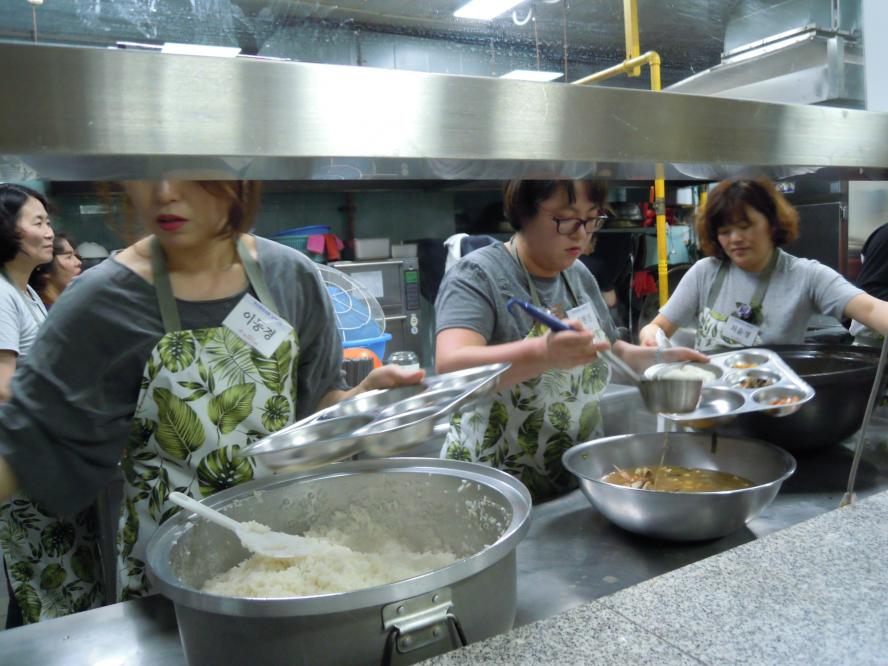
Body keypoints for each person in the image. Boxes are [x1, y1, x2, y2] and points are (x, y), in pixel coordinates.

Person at [0, 180, 421, 601]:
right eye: (148, 169)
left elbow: (317, 407)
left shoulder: (289, 276)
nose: (164, 191)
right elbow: (23, 447)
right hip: (169, 568)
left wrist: (358, 405)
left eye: (191, 168)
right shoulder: (102, 300)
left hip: (292, 560)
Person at [435, 180, 706, 502]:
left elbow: (610, 352)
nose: (581, 234)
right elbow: (451, 369)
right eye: (566, 219)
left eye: (591, 219)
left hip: (571, 478)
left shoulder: (578, 275)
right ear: (524, 213)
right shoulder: (478, 275)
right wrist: (542, 353)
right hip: (495, 491)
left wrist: (662, 360)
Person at [0, 184, 104, 626]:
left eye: (48, 221)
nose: (49, 233)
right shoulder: (2, 294)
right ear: (7, 229)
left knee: (67, 577)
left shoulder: (24, 292)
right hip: (26, 462)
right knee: (48, 584)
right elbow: (4, 384)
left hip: (46, 454)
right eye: (38, 222)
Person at [639, 177, 888, 352]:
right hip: (714, 401)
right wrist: (651, 336)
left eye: (745, 226)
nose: (735, 239)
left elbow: (870, 309)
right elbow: (658, 327)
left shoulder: (806, 275)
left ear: (772, 223)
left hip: (775, 403)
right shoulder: (705, 272)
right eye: (725, 231)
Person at [28, 232, 82, 308]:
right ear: (45, 268)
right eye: (69, 257)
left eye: (76, 256)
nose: (79, 263)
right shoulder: (39, 311)